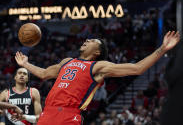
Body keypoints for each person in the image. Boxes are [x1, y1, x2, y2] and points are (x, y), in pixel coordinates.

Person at [15, 31, 180, 125]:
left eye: (93, 40)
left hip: (68, 115)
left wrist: (163, 48)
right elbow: (44, 73)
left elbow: (137, 68)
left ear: (97, 52)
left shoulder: (98, 67)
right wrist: (26, 64)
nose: (87, 40)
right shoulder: (67, 61)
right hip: (48, 112)